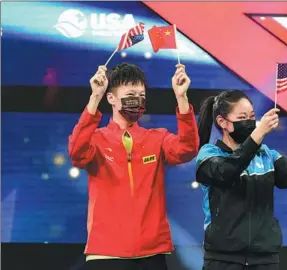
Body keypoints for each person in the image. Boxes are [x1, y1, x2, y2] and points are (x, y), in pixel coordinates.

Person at [68, 63, 199, 270]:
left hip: (151, 253)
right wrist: (94, 97)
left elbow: (187, 149)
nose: (137, 100)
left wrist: (182, 98)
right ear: (111, 98)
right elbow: (77, 153)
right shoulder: (96, 139)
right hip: (105, 253)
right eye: (130, 94)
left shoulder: (157, 138)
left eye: (141, 95)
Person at [195, 90, 287, 270]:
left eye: (252, 116)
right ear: (222, 122)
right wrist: (257, 135)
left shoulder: (266, 154)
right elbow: (227, 172)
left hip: (264, 260)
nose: (251, 122)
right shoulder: (209, 155)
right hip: (223, 260)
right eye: (243, 117)